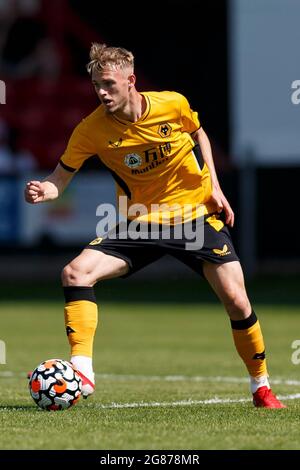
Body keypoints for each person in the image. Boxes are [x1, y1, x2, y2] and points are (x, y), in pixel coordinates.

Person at [25, 43, 285, 408]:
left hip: (195, 215)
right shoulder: (91, 130)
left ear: (130, 81)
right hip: (142, 222)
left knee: (238, 302)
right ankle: (83, 372)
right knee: (75, 273)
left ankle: (261, 386)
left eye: (109, 84)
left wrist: (213, 183)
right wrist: (44, 190)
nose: (101, 92)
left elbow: (199, 133)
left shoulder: (171, 103)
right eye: (96, 85)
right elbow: (59, 179)